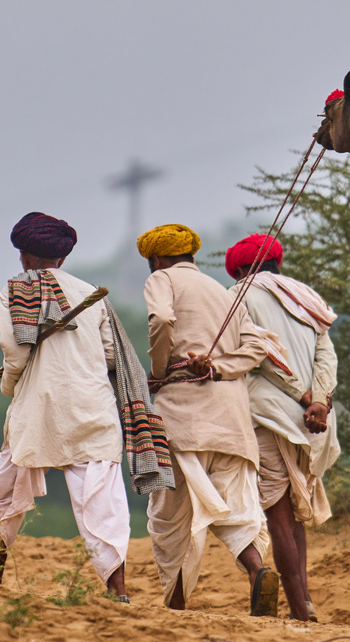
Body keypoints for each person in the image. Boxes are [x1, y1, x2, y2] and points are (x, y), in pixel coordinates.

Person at [0, 212, 134, 602]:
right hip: (93, 406)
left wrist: (9, 386)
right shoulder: (91, 295)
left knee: (6, 489)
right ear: (63, 258)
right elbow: (113, 356)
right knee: (103, 503)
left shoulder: (14, 291)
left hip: (38, 406)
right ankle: (118, 591)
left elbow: (14, 353)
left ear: (24, 257)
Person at [138, 223, 280, 615]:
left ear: (157, 259)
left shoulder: (161, 280)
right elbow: (257, 346)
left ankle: (177, 607)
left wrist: (162, 368)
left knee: (169, 517)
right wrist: (217, 367)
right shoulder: (223, 291)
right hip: (232, 422)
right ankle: (257, 571)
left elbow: (162, 321)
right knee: (236, 511)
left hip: (183, 418)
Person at [226, 233, 341, 621]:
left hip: (269, 416)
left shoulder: (237, 295)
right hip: (315, 424)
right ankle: (303, 601)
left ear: (241, 269)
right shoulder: (306, 295)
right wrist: (320, 399)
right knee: (293, 515)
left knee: (278, 516)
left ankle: (299, 611)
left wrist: (305, 397)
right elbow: (327, 355)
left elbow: (263, 356)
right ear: (278, 262)